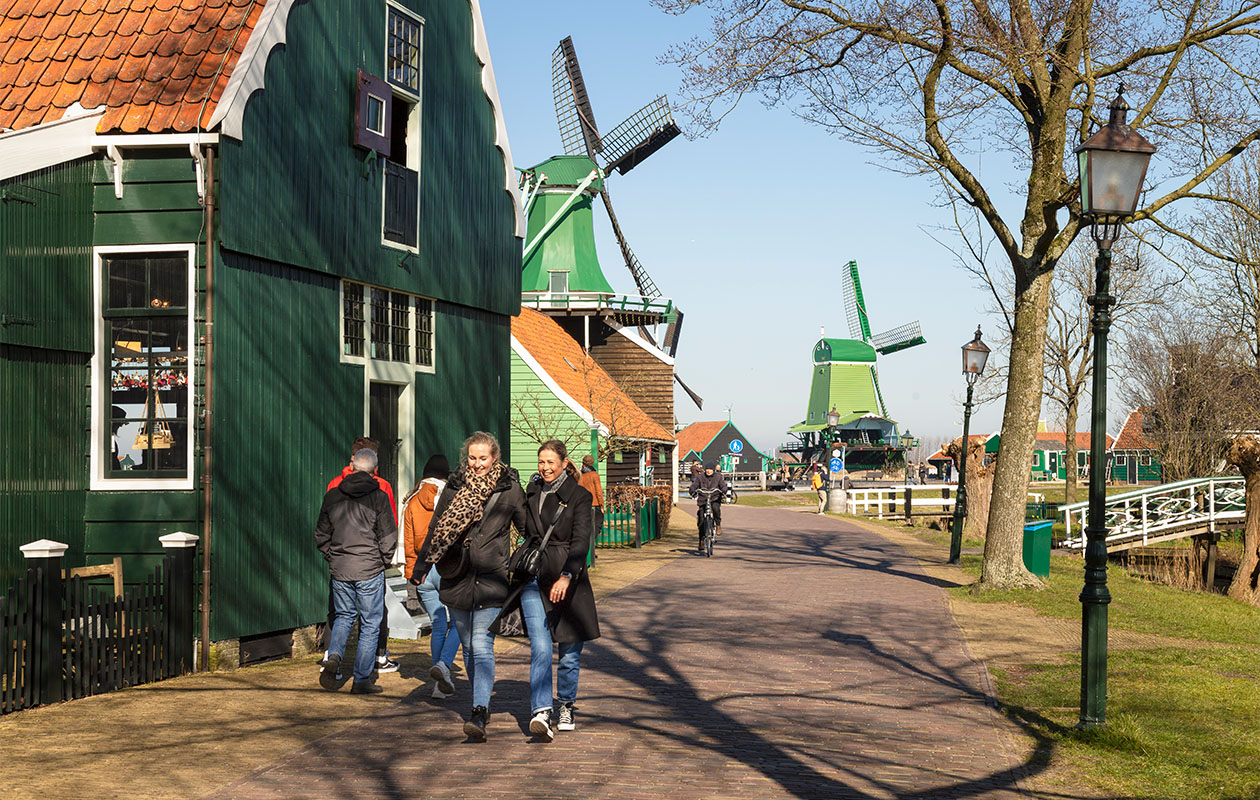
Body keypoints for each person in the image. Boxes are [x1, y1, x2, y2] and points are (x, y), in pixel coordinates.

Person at [416, 431, 525, 741]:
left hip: (491, 578)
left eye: (483, 458)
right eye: (473, 458)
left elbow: (528, 529)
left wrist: (515, 563)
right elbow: (438, 527)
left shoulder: (509, 489)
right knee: (467, 645)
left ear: (495, 458)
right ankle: (482, 704)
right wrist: (422, 566)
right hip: (457, 576)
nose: (477, 464)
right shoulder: (454, 485)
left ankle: (478, 710)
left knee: (480, 644)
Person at [514, 440, 599, 742]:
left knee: (569, 651)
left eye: (551, 462)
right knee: (541, 646)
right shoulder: (533, 492)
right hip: (536, 575)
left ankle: (565, 704)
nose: (546, 468)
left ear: (564, 463)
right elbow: (525, 530)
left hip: (568, 577)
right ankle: (540, 710)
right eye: (541, 462)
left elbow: (581, 541)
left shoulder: (579, 496)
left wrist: (567, 575)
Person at [314, 448, 397, 694]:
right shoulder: (379, 497)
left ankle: (335, 655)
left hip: (341, 567)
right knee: (371, 623)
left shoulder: (332, 496)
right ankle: (361, 680)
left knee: (344, 616)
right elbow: (388, 535)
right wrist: (383, 560)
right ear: (375, 470)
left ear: (352, 467)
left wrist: (333, 556)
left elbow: (321, 533)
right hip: (369, 567)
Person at [404, 453, 461, 699]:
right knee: (460, 622)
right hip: (448, 567)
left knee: (438, 624)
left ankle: (439, 682)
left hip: (423, 569)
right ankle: (444, 667)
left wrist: (410, 573)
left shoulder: (412, 500)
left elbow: (406, 541)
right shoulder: (452, 497)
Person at [688, 460, 728, 549]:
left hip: (714, 498)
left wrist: (724, 490)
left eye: (710, 469)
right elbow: (695, 485)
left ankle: (718, 524)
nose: (708, 471)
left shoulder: (718, 477)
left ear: (713, 470)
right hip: (703, 500)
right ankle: (701, 540)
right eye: (707, 469)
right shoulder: (700, 477)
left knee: (716, 508)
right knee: (701, 520)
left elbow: (723, 485)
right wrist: (692, 490)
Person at [578, 454, 604, 541]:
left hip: (582, 505)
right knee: (597, 526)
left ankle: (587, 549)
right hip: (594, 504)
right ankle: (590, 547)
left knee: (584, 527)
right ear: (592, 463)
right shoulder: (594, 475)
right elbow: (598, 492)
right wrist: (601, 505)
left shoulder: (579, 475)